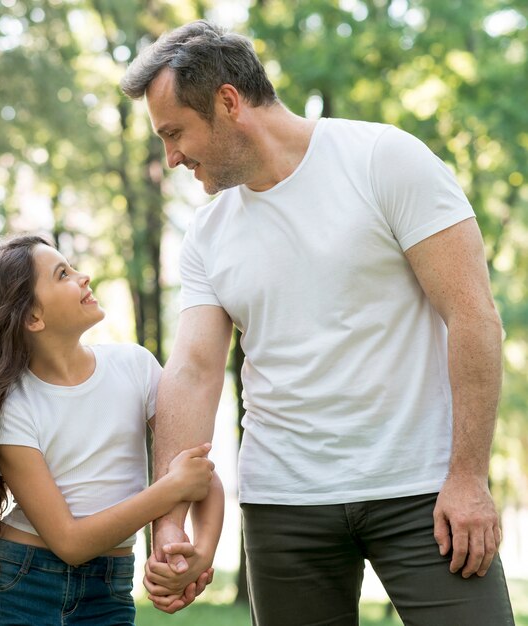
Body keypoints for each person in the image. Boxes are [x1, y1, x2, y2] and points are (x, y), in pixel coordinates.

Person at [119, 19, 516, 625]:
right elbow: (194, 371)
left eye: (176, 133)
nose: (171, 157)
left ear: (228, 102)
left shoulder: (384, 160)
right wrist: (170, 517)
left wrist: (467, 477)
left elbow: (473, 318)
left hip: (423, 490)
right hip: (285, 503)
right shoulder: (207, 232)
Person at [0, 234, 224, 626]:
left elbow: (199, 474)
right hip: (26, 586)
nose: (83, 276)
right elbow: (70, 542)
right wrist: (168, 490)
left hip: (109, 589)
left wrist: (202, 555)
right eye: (63, 274)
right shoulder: (13, 406)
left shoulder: (135, 367)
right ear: (32, 318)